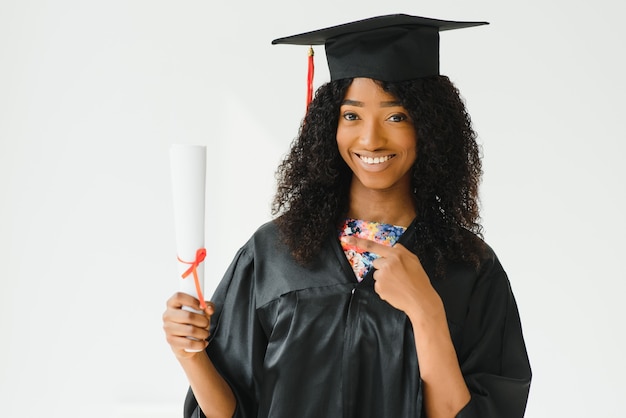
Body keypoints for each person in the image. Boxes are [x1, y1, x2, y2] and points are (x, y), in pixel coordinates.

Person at [162, 14, 532, 418]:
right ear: (329, 126)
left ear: (430, 126)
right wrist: (191, 355)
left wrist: (427, 313)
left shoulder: (470, 268)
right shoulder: (274, 253)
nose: (371, 138)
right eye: (352, 115)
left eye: (396, 116)